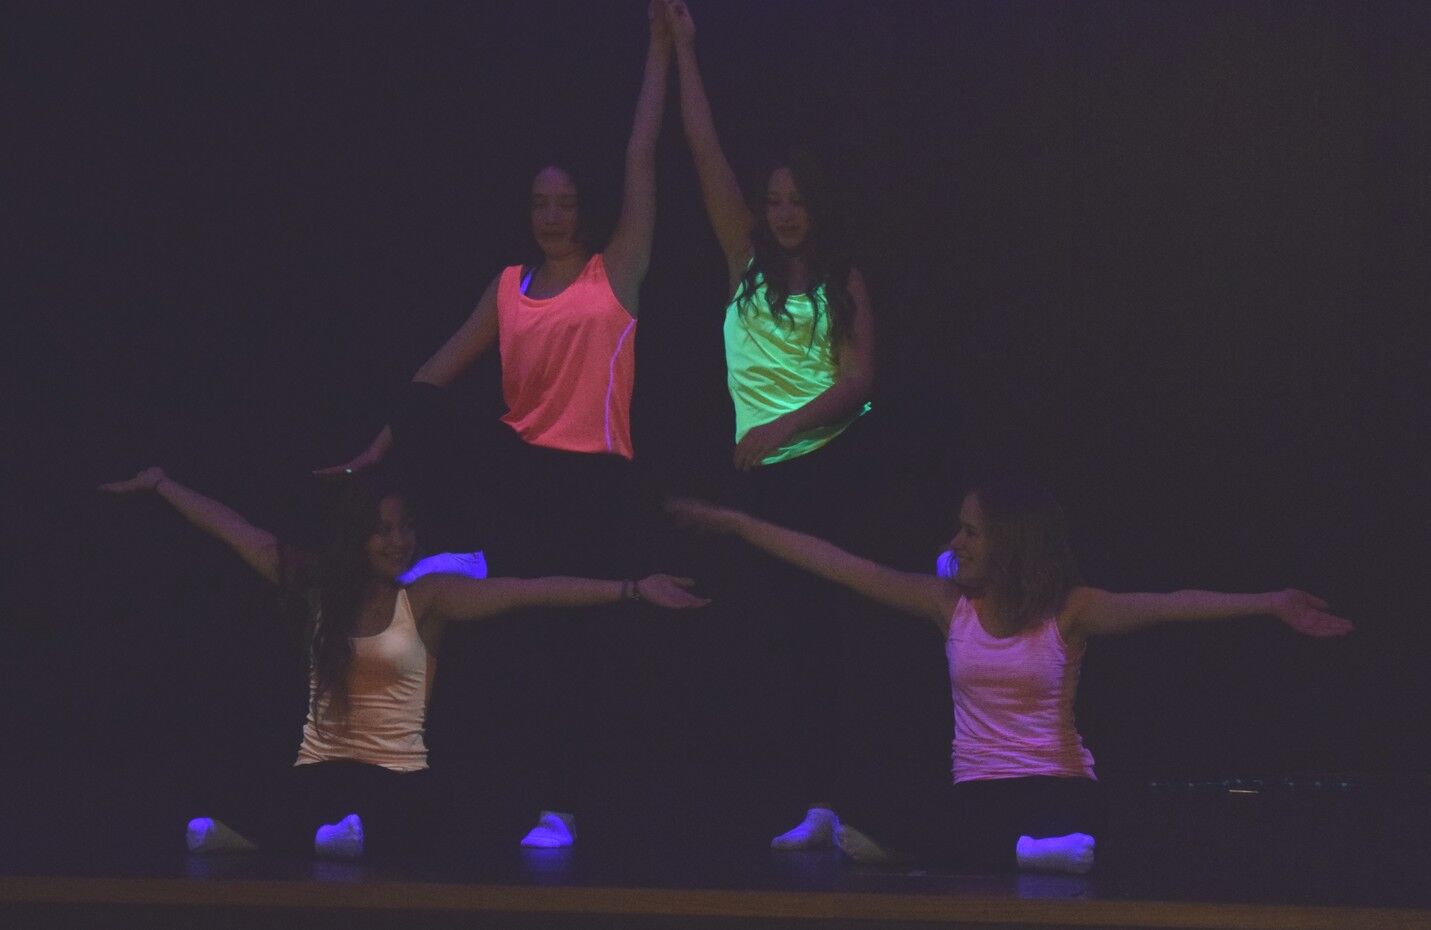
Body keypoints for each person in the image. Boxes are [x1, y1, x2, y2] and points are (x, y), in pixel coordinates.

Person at [314, 3, 674, 848]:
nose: (551, 215)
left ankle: (566, 807)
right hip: (520, 475)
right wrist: (377, 451)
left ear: (582, 207)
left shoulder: (615, 272)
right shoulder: (509, 286)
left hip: (593, 479)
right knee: (520, 643)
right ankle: (504, 793)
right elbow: (435, 373)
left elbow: (640, 154)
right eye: (539, 203)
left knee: (575, 644)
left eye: (564, 202)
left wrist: (661, 51)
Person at [666, 477, 1352, 873]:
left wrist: (1271, 602)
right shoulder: (947, 606)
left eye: (970, 531)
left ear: (1009, 542)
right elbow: (840, 565)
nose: (955, 542)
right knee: (893, 797)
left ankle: (897, 841)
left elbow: (1171, 605)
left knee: (1097, 821)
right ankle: (996, 849)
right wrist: (739, 524)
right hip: (978, 796)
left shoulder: (1070, 610)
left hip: (1055, 789)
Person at [100, 466, 707, 859]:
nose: (398, 541)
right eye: (383, 530)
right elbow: (234, 529)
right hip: (324, 768)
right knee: (269, 796)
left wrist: (632, 589)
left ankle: (339, 830)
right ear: (356, 535)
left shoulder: (428, 597)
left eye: (405, 528)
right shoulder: (315, 586)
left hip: (397, 776)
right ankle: (301, 828)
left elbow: (531, 589)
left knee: (405, 808)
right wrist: (160, 483)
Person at [661, 0, 879, 850]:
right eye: (774, 199)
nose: (784, 211)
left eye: (796, 200)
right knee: (759, 641)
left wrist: (778, 431)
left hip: (821, 471)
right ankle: (767, 799)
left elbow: (858, 381)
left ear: (815, 206)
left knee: (819, 639)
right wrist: (684, 49)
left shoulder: (842, 279)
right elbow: (703, 149)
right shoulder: (744, 262)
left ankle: (827, 803)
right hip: (759, 476)